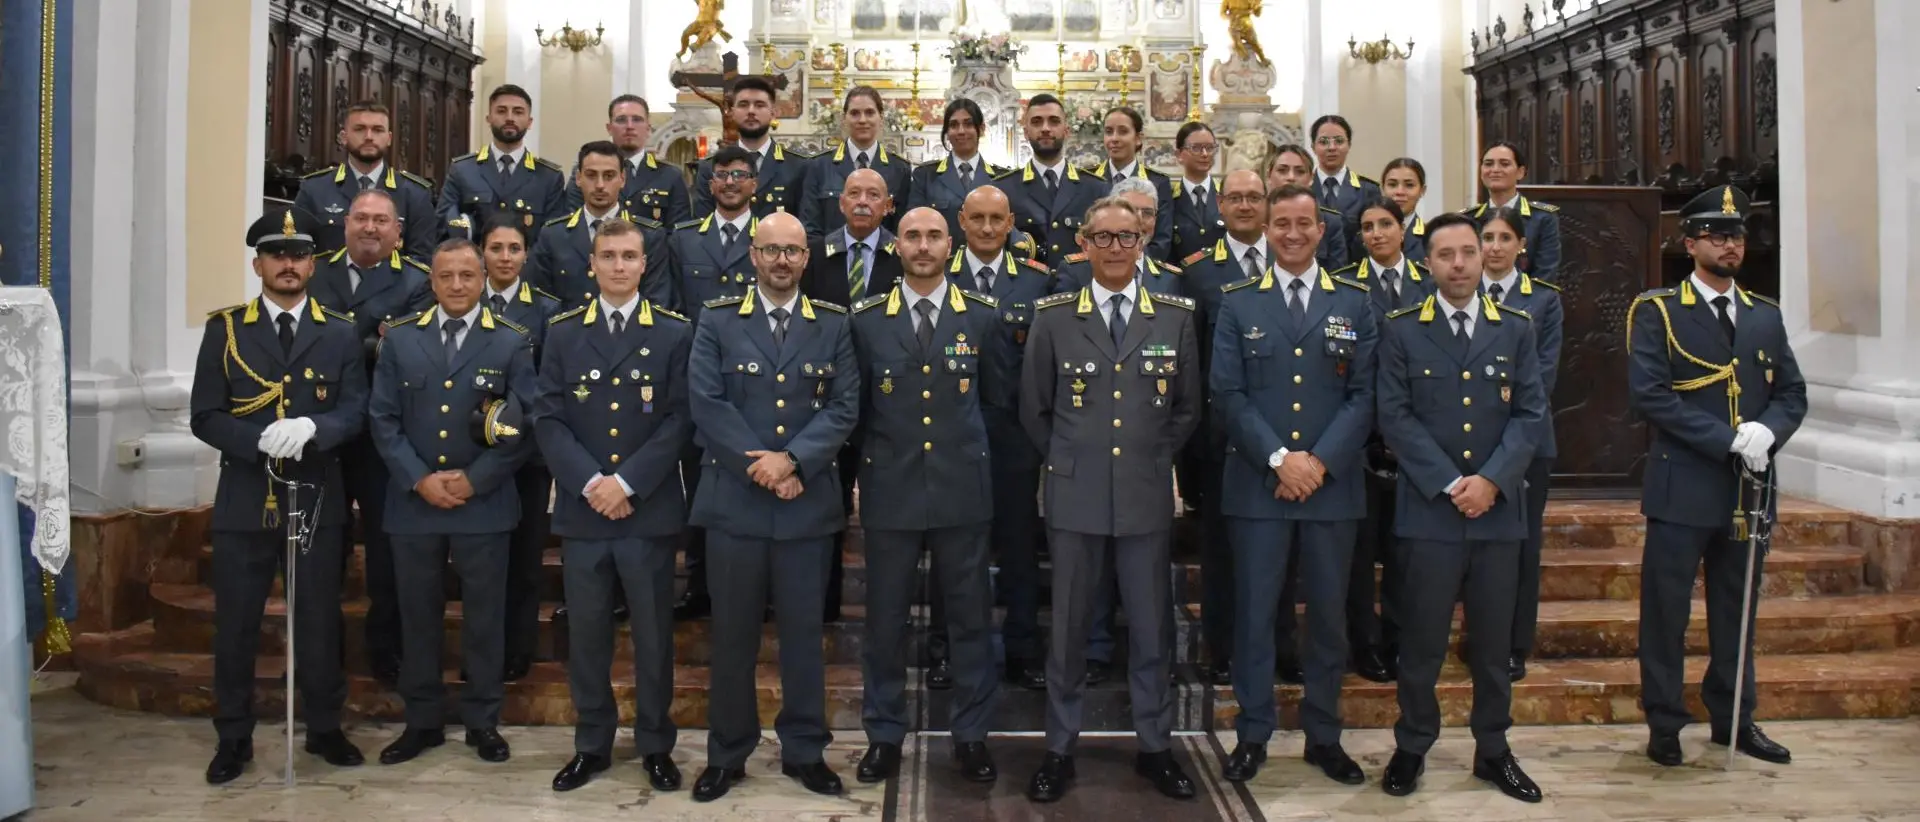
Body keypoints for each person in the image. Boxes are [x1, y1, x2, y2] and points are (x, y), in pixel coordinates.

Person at [1019, 196, 1201, 803]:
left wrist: (1151, 456)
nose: (1116, 247)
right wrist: (1073, 457)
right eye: (1103, 237)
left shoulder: (1173, 317)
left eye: (1127, 237)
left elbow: (1186, 409)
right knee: (1068, 629)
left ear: (1143, 243)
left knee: (1151, 628)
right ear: (1084, 245)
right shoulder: (1054, 318)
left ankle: (1155, 747)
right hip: (1075, 493)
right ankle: (1058, 748)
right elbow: (1035, 409)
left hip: (1144, 493)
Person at [1374, 212, 1547, 804]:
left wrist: (1492, 481)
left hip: (1498, 513)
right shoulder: (1402, 330)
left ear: (1484, 257)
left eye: (1468, 252)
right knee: (1421, 641)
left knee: (1493, 645)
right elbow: (1395, 416)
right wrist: (1452, 483)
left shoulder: (1515, 328)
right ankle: (1412, 745)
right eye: (1445, 254)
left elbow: (1530, 414)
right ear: (1427, 262)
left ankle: (1493, 749)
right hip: (1430, 513)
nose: (1458, 264)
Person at [1629, 185, 1804, 768]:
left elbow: (1792, 392)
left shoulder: (1765, 314)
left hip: (1747, 489)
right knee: (1666, 612)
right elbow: (1651, 396)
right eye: (1717, 235)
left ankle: (1735, 718)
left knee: (1737, 609)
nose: (1730, 245)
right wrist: (1727, 439)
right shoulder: (1658, 310)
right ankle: (1664, 723)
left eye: (1737, 236)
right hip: (1683, 483)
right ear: (1690, 243)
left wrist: (1768, 433)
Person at [686, 212, 858, 803]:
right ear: (752, 256)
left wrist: (793, 462)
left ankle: (805, 751)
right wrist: (761, 467)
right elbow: (707, 402)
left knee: (804, 638)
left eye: (792, 251)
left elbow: (844, 406)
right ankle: (726, 753)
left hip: (805, 504)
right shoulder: (716, 319)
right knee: (732, 638)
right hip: (735, 503)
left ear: (806, 259)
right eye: (771, 250)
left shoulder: (833, 323)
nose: (782, 260)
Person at [190, 206, 366, 784]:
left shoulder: (339, 331)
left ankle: (324, 727)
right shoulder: (226, 330)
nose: (288, 264)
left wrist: (315, 427)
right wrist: (256, 440)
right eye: (276, 255)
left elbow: (356, 410)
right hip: (246, 498)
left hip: (315, 496)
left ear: (312, 264)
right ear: (258, 264)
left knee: (318, 621)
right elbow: (205, 415)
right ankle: (233, 737)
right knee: (237, 624)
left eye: (298, 255)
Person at [1210, 182, 1377, 785]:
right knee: (1255, 615)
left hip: (1332, 489)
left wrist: (1317, 464)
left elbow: (1365, 395)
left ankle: (1324, 735)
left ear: (1322, 230)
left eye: (1304, 223)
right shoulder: (1238, 303)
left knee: (1328, 618)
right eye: (1281, 223)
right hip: (1259, 486)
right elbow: (1228, 393)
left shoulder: (1355, 302)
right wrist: (1282, 460)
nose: (1292, 234)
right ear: (1267, 229)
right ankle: (1252, 734)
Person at [533, 219, 693, 793]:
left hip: (646, 510)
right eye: (608, 256)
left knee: (653, 636)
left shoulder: (674, 332)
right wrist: (591, 483)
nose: (619, 266)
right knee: (588, 635)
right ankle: (591, 744)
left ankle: (655, 743)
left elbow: (681, 418)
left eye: (629, 256)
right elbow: (548, 417)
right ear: (591, 264)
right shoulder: (563, 333)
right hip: (584, 512)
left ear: (644, 264)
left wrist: (626, 484)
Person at [848, 206, 1006, 785]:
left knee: (969, 619)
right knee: (885, 622)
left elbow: (997, 405)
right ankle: (884, 734)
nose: (922, 245)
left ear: (950, 245)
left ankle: (971, 735)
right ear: (897, 246)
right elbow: (856, 410)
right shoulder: (866, 320)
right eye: (912, 236)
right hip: (890, 489)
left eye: (933, 236)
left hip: (962, 490)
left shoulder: (983, 316)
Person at [367, 238, 538, 766]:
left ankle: (483, 721)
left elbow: (525, 423)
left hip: (483, 504)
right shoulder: (400, 339)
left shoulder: (511, 341)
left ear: (483, 279)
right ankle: (422, 721)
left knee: (485, 617)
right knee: (417, 615)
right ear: (432, 282)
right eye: (447, 276)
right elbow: (383, 419)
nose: (458, 285)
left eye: (467, 275)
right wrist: (419, 479)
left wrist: (475, 479)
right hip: (414, 504)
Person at [303, 190, 434, 685]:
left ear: (398, 232)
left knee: (386, 552)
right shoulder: (315, 271)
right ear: (345, 225)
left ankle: (386, 651)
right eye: (361, 218)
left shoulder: (417, 282)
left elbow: (408, 350)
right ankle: (321, 655)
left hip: (384, 436)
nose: (370, 228)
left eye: (382, 220)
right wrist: (369, 341)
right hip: (322, 431)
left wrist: (338, 345)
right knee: (320, 551)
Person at [935, 185, 1056, 692]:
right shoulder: (939, 276)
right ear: (962, 221)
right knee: (954, 549)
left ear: (1010, 225)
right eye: (977, 218)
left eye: (996, 219)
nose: (987, 228)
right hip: (953, 435)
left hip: (1014, 437)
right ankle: (948, 649)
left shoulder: (1037, 282)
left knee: (1019, 547)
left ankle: (1022, 650)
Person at [1174, 169, 1270, 686]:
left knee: (1279, 554)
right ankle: (1221, 648)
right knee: (1221, 553)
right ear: (1220, 205)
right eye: (1235, 197)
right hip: (1220, 439)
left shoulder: (1289, 260)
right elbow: (1189, 365)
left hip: (1282, 433)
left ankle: (1279, 645)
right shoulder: (1197, 273)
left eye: (1254, 197)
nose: (1245, 205)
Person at [665, 144, 763, 620]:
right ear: (709, 183)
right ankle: (699, 584)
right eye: (721, 175)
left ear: (754, 184)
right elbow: (669, 308)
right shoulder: (684, 240)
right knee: (699, 488)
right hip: (697, 385)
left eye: (739, 175)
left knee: (751, 483)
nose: (729, 183)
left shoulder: (771, 238)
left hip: (755, 387)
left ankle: (756, 589)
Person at [801, 168, 903, 623]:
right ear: (840, 203)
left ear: (888, 206)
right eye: (854, 193)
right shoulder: (815, 256)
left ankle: (887, 612)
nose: (863, 201)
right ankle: (822, 609)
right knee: (827, 509)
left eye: (874, 194)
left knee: (886, 515)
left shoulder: (904, 254)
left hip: (887, 403)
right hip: (825, 403)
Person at [477, 213, 565, 681]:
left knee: (526, 558)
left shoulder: (547, 311)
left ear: (527, 254)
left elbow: (549, 386)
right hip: (474, 452)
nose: (505, 257)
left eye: (514, 248)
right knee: (481, 561)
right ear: (482, 253)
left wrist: (517, 431)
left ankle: (519, 651)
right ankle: (482, 652)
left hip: (528, 455)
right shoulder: (464, 301)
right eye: (496, 248)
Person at [1478, 208, 1564, 683]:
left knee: (1522, 546)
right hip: (1468, 441)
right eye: (1487, 237)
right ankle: (1477, 636)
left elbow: (1543, 374)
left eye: (1504, 238)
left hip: (1527, 441)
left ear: (1521, 245)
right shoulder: (1456, 293)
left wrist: (1505, 433)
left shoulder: (1544, 300)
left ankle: (1513, 645)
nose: (1495, 247)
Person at [528, 141, 675, 312]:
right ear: (578, 178)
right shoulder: (553, 235)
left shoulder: (649, 235)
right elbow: (542, 302)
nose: (600, 185)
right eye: (591, 175)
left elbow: (656, 303)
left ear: (622, 179)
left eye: (609, 176)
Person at [295, 100, 441, 259]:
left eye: (377, 130)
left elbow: (421, 260)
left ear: (389, 138)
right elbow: (301, 253)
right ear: (343, 137)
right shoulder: (314, 189)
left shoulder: (415, 194)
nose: (369, 137)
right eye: (360, 129)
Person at [993, 93, 1109, 269]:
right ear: (1026, 133)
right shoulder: (1003, 189)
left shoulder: (1095, 189)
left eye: (1054, 121)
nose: (1045, 128)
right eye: (1037, 122)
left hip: (1079, 284)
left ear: (1066, 131)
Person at [439, 84, 569, 234]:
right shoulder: (463, 170)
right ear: (489, 119)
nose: (509, 118)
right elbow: (445, 225)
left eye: (518, 112)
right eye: (501, 111)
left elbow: (552, 236)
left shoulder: (549, 177)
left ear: (529, 122)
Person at [691, 77, 814, 220]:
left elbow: (806, 224)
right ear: (732, 112)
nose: (751, 111)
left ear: (773, 113)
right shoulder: (709, 167)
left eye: (759, 105)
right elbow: (703, 225)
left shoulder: (798, 167)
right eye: (743, 105)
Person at [564, 94, 692, 227]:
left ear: (648, 128)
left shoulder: (670, 175)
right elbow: (574, 225)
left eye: (637, 119)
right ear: (609, 128)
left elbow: (678, 232)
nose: (630, 126)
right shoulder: (586, 173)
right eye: (621, 120)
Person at [802, 86, 913, 237]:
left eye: (869, 113)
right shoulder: (819, 166)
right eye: (855, 113)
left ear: (881, 118)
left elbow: (902, 229)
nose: (862, 120)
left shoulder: (900, 169)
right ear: (844, 119)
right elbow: (810, 228)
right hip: (831, 251)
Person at [1052, 176, 1183, 298]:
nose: (1139, 220)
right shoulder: (1074, 272)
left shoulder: (1169, 279)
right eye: (1130, 211)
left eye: (1147, 213)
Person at [905, 98, 1009, 242]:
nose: (961, 131)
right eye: (953, 125)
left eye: (968, 124)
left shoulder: (1001, 178)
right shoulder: (925, 176)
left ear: (981, 129)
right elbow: (913, 224)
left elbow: (1009, 226)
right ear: (947, 132)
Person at [1463, 141, 1561, 283]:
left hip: (1526, 296)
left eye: (1504, 164)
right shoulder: (1468, 219)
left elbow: (1545, 274)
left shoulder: (1542, 218)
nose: (1495, 169)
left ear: (1520, 172)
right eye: (1488, 164)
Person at [1088, 106, 1175, 261]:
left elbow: (1162, 240)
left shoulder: (1157, 182)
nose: (1114, 138)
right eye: (1109, 132)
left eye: (1123, 131)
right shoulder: (1089, 179)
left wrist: (1131, 264)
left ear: (1138, 138)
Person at [1308, 115, 1382, 264]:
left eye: (1339, 141)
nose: (1332, 147)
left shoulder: (1368, 190)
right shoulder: (1303, 189)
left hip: (1356, 271)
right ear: (1313, 147)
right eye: (1323, 142)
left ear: (1349, 145)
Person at [1268, 144, 1353, 271]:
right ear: (1269, 175)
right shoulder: (1254, 218)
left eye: (1300, 171)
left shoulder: (1330, 222)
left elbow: (1336, 275)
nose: (1291, 177)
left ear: (1311, 179)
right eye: (1282, 170)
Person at [1166, 122, 1224, 265]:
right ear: (1179, 154)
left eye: (1210, 148)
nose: (1205, 154)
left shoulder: (1225, 195)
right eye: (1196, 148)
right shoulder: (1168, 198)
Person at [1380, 157, 1430, 262]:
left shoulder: (1431, 237)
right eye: (1392, 184)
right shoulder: (1365, 237)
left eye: (1409, 185)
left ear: (1422, 190)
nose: (1400, 192)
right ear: (1383, 188)